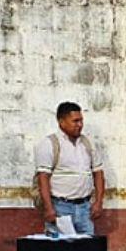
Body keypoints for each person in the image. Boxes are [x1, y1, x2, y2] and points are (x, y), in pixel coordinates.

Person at [34, 101, 106, 237]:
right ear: (61, 122)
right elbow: (43, 179)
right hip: (60, 207)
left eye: (81, 120)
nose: (80, 125)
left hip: (85, 207)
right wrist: (49, 208)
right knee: (61, 247)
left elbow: (98, 173)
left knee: (87, 246)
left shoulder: (88, 143)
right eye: (75, 121)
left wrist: (98, 202)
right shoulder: (49, 144)